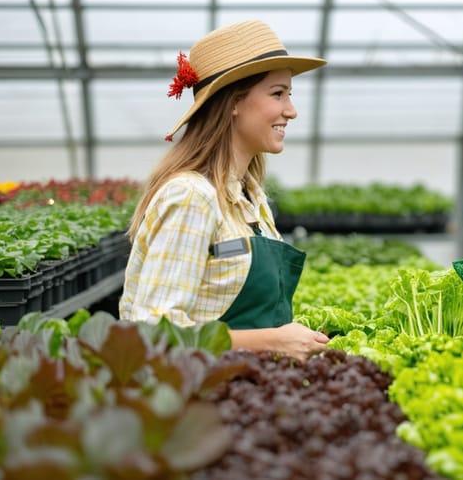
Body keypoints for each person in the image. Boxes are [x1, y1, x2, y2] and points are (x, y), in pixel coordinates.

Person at [119, 20, 329, 362]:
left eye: (289, 94)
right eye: (278, 94)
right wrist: (274, 341)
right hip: (197, 401)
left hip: (245, 392)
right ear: (233, 102)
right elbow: (155, 334)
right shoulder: (191, 196)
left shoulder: (251, 198)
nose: (291, 110)